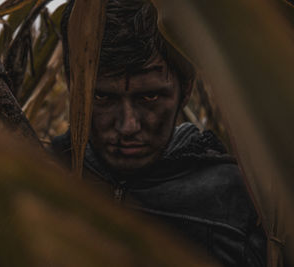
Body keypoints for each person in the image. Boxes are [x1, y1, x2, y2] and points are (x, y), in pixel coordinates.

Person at [51, 0, 267, 266]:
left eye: (150, 96)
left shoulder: (236, 201)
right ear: (73, 85)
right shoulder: (40, 170)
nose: (127, 126)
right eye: (102, 96)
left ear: (185, 89)